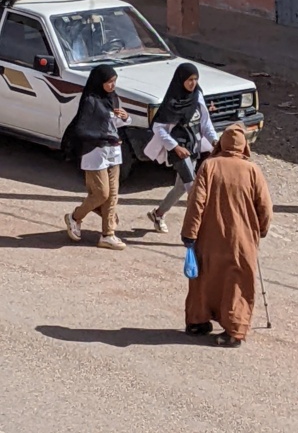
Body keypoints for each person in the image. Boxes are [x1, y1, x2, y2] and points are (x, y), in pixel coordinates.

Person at [181, 123, 273, 348]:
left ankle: (198, 321)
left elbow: (196, 203)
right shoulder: (252, 170)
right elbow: (265, 207)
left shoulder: (209, 166)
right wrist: (262, 229)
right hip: (241, 241)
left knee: (203, 279)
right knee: (236, 283)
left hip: (209, 239)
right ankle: (234, 330)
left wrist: (189, 234)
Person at [144, 62, 218, 233]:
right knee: (192, 187)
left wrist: (215, 141)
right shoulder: (171, 102)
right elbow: (158, 127)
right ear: (180, 80)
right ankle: (200, 229)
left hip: (193, 147)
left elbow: (205, 124)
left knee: (180, 187)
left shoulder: (197, 97)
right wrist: (175, 146)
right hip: (178, 151)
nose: (192, 83)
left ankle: (158, 213)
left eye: (195, 79)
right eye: (189, 79)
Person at [64, 64, 131, 250]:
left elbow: (112, 123)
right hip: (95, 153)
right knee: (101, 193)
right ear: (99, 82)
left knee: (113, 196)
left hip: (113, 152)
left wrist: (125, 118)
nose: (112, 85)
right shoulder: (90, 101)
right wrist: (103, 137)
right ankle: (75, 217)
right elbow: (82, 129)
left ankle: (107, 235)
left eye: (114, 81)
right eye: (109, 82)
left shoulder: (113, 98)